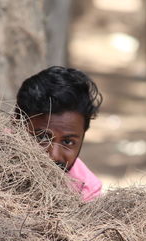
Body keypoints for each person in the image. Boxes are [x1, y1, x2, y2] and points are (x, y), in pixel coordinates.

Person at [15, 66, 103, 202]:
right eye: (42, 137)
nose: (53, 155)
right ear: (17, 127)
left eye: (68, 142)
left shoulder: (86, 193)